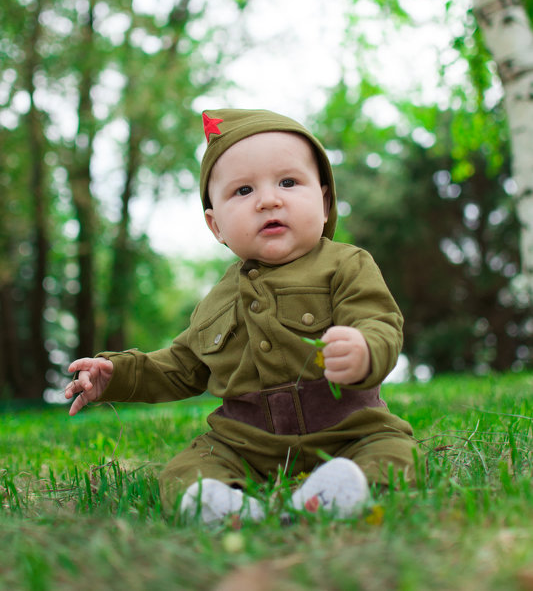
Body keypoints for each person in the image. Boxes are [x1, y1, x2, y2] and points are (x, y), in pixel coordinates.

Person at [65, 108, 418, 524]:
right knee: (186, 468)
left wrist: (364, 348)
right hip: (245, 443)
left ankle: (342, 487)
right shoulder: (217, 300)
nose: (269, 199)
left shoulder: (345, 264)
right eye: (243, 191)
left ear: (324, 202)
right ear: (216, 227)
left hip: (349, 429)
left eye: (288, 182)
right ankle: (222, 503)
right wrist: (117, 374)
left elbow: (378, 320)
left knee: (394, 451)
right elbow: (180, 367)